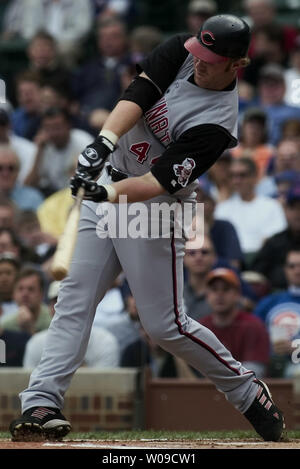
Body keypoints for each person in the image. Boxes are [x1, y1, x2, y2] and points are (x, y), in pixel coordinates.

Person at [10, 15, 284, 443]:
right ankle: (42, 401)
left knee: (165, 326)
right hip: (115, 179)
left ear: (237, 64)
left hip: (156, 205)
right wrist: (102, 142)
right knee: (74, 297)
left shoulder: (216, 124)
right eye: (199, 53)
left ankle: (247, 392)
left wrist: (104, 195)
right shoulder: (181, 49)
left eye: (211, 60)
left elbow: (160, 180)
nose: (199, 63)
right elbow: (138, 93)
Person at [23, 280, 120, 369]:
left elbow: (102, 386)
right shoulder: (35, 344)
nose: (64, 306)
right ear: (50, 308)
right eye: (57, 301)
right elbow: (30, 385)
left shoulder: (105, 342)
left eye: (72, 300)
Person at [214, 157, 287, 264]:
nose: (237, 180)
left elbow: (275, 238)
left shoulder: (272, 206)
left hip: (263, 261)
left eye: (242, 175)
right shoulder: (222, 208)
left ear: (255, 177)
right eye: (233, 176)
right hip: (231, 261)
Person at [200, 268, 270, 378]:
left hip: (244, 392)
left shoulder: (254, 325)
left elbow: (253, 373)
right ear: (207, 295)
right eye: (214, 289)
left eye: (226, 289)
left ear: (237, 294)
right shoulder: (201, 327)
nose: (219, 294)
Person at [24, 107, 93, 196]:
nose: (53, 133)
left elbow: (94, 179)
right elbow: (29, 186)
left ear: (68, 125)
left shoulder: (84, 141)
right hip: (55, 198)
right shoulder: (43, 147)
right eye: (48, 128)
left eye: (57, 127)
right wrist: (39, 151)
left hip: (81, 194)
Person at [254, 249, 300, 378]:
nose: (297, 270)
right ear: (285, 270)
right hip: (269, 361)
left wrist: (295, 347)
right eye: (292, 266)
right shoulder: (269, 301)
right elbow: (253, 333)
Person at [252, 183, 300, 289]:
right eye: (293, 208)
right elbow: (255, 275)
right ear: (285, 210)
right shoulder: (274, 242)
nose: (298, 213)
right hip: (278, 299)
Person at [1, 266, 51, 335]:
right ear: (13, 294)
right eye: (20, 289)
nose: (25, 294)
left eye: (31, 289)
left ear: (41, 294)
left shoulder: (53, 320)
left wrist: (29, 330)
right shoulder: (5, 325)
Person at [0, 145, 44, 211]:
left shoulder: (33, 198)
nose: (5, 173)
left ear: (18, 171)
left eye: (11, 168)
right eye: (0, 168)